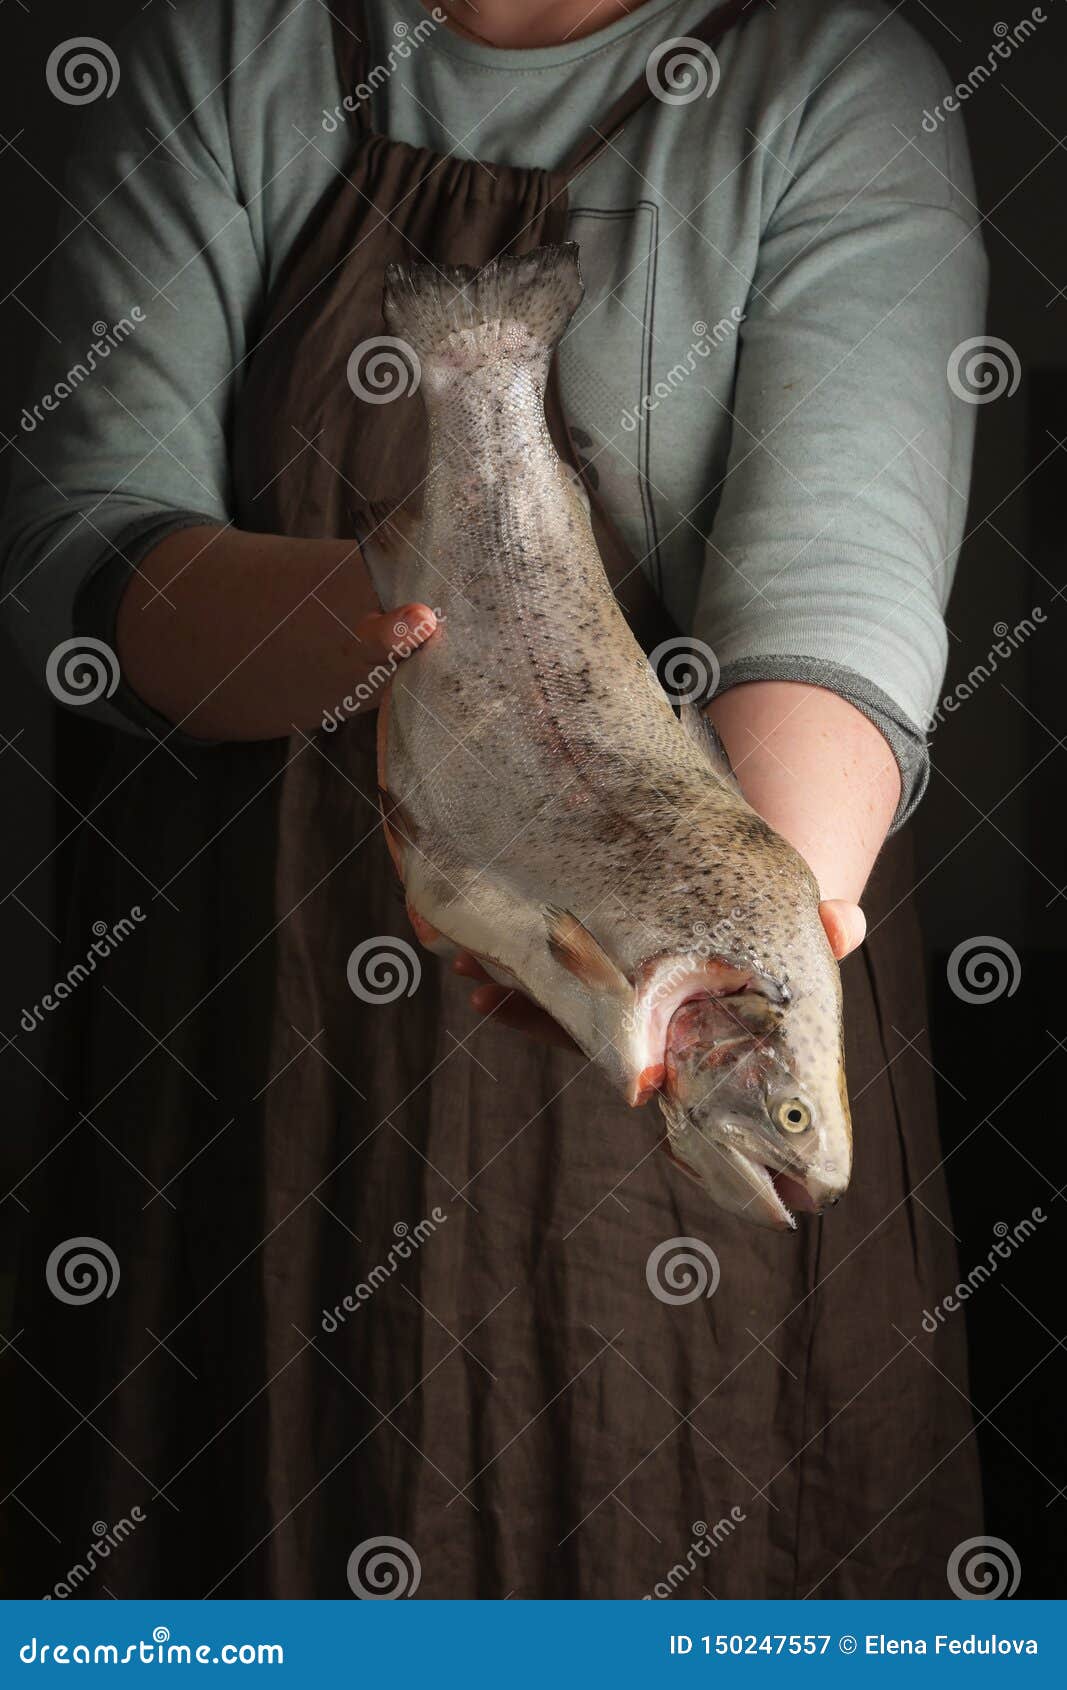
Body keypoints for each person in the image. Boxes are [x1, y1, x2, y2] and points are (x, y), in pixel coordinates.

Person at [2, 0, 987, 1598]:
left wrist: (759, 920)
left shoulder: (833, 81)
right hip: (254, 1054)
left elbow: (837, 600)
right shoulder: (221, 41)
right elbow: (82, 527)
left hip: (632, 1183)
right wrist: (416, 624)